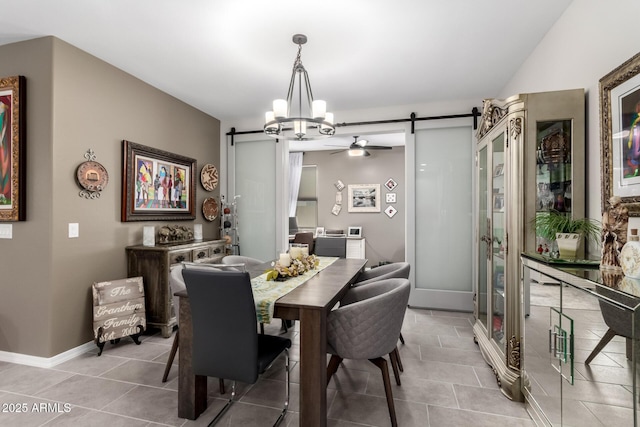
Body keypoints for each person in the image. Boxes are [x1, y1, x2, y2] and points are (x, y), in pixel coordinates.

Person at [601, 196, 628, 269]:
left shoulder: (623, 209)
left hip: (619, 232)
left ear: (617, 202)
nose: (611, 203)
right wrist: (606, 226)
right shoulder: (609, 210)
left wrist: (615, 227)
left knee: (617, 247)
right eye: (611, 202)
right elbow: (606, 220)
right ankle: (609, 262)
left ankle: (617, 263)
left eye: (612, 202)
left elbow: (623, 221)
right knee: (608, 246)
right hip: (610, 232)